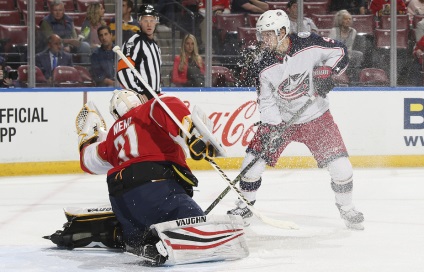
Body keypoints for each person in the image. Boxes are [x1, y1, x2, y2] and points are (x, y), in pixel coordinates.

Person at [75, 89, 248, 265]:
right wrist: (194, 132)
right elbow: (167, 105)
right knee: (198, 225)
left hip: (121, 201)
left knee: (139, 238)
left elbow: (89, 161)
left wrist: (87, 139)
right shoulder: (149, 108)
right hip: (156, 191)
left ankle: (139, 241)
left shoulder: (113, 135)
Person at [227, 9, 365, 230]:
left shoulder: (308, 43)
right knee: (251, 166)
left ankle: (347, 208)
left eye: (269, 34)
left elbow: (340, 50)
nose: (264, 40)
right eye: (262, 35)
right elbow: (266, 101)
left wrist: (328, 72)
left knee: (342, 169)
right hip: (280, 121)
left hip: (316, 116)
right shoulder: (263, 65)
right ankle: (244, 205)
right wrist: (273, 127)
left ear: (283, 31)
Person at [117, 4, 162, 99]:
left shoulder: (155, 46)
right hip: (141, 99)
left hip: (155, 98)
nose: (149, 24)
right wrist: (138, 93)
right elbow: (123, 71)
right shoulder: (134, 42)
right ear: (140, 21)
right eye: (145, 20)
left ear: (156, 22)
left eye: (152, 20)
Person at [329, 10, 364, 80]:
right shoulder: (334, 31)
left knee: (359, 54)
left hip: (347, 54)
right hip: (335, 55)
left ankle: (355, 78)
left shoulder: (353, 31)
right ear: (340, 20)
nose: (348, 21)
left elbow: (349, 46)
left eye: (349, 19)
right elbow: (330, 47)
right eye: (345, 19)